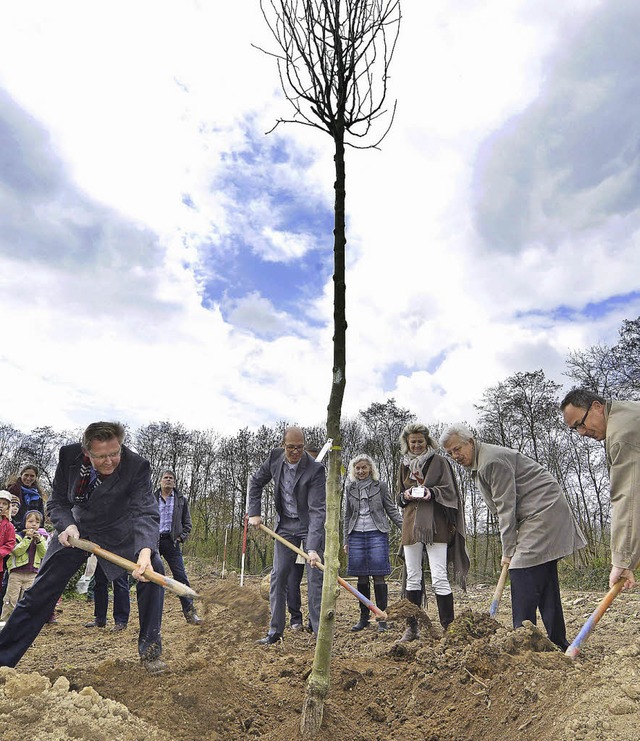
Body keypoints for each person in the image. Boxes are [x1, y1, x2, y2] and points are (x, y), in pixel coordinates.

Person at [0, 422, 167, 674]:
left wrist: (145, 550)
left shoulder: (137, 465)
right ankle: (3, 658)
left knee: (154, 570)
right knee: (39, 592)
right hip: (75, 531)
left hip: (117, 530)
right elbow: (57, 502)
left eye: (115, 453)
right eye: (101, 456)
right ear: (86, 452)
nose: (110, 461)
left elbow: (145, 511)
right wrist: (67, 525)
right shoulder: (68, 456)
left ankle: (151, 652)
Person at [441, 423, 586, 650]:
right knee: (545, 578)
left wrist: (508, 550)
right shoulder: (480, 464)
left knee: (520, 570)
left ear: (471, 441)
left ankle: (523, 642)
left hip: (543, 512)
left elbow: (505, 508)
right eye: (450, 453)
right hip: (535, 514)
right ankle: (558, 639)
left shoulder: (491, 461)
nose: (455, 456)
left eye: (457, 449)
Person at [249, 426, 326, 644]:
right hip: (285, 525)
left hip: (308, 524)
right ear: (283, 445)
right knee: (278, 576)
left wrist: (312, 548)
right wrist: (254, 512)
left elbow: (317, 511)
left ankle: (320, 633)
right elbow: (255, 482)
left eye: (300, 447)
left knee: (315, 578)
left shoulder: (315, 470)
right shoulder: (274, 457)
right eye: (291, 447)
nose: (295, 452)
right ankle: (275, 632)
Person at [560, 389, 640, 591]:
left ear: (597, 406)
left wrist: (622, 560)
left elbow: (628, 498)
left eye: (581, 423)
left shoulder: (622, 435)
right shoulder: (627, 414)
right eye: (575, 429)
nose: (581, 433)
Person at [395, 424, 470, 642]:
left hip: (436, 526)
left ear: (427, 442)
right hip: (410, 526)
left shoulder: (440, 462)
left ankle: (448, 628)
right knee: (413, 577)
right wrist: (406, 496)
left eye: (420, 441)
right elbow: (398, 496)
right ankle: (412, 628)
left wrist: (431, 492)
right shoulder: (403, 466)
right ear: (407, 444)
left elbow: (450, 491)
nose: (416, 445)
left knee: (439, 577)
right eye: (412, 442)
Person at [343, 453, 403, 632]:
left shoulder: (381, 486)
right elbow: (347, 516)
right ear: (354, 470)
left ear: (370, 469)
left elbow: (391, 510)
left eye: (364, 467)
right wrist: (346, 539)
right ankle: (363, 617)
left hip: (377, 533)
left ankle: (382, 617)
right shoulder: (350, 488)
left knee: (378, 575)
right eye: (358, 468)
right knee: (361, 577)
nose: (361, 471)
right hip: (356, 535)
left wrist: (405, 528)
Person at [154, 470, 201, 625]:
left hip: (171, 542)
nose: (168, 480)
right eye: (165, 478)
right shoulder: (152, 498)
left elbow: (187, 522)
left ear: (174, 482)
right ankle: (152, 616)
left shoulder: (181, 500)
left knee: (181, 577)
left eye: (171, 478)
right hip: (153, 542)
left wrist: (182, 537)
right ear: (160, 481)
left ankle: (190, 614)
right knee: (151, 578)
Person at [1, 510, 47, 625]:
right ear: (24, 522)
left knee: (26, 600)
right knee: (11, 599)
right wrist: (27, 539)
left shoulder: (41, 538)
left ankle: (22, 624)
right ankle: (5, 623)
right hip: (16, 573)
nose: (34, 524)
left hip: (32, 573)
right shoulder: (18, 536)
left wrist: (39, 541)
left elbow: (44, 554)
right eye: (30, 521)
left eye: (37, 522)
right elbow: (16, 551)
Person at [84, 563, 131, 632]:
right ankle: (100, 619)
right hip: (102, 555)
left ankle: (121, 621)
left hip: (120, 554)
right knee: (99, 583)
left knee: (120, 584)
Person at [7, 465, 46, 530]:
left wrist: (40, 530)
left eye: (32, 476)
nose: (28, 478)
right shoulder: (12, 491)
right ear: (21, 475)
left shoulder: (37, 496)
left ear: (36, 477)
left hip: (31, 530)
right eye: (26, 475)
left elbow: (41, 517)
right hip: (13, 528)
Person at [0, 492, 17, 614]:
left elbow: (10, 543)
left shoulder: (9, 526)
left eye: (4, 504)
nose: (1, 506)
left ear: (8, 507)